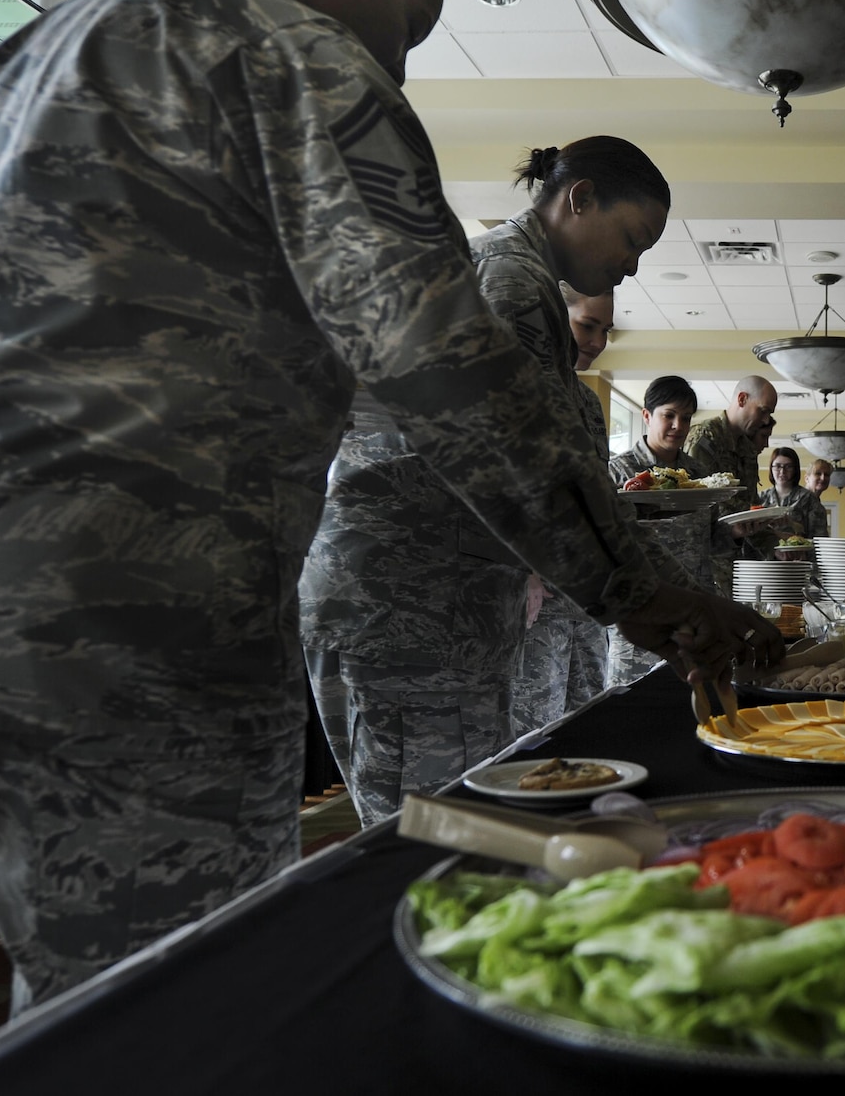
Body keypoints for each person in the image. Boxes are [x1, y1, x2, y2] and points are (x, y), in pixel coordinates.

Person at [0, 0, 774, 1010]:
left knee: (86, 998)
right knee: (180, 1005)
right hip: (143, 598)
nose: (399, 61)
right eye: (407, 25)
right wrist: (647, 594)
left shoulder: (33, 52)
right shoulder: (295, 53)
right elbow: (451, 377)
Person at [302, 139, 692, 822]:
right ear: (580, 198)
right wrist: (657, 601)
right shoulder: (510, 281)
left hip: (437, 611)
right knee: (427, 838)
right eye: (632, 240)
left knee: (454, 827)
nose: (630, 268)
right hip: (414, 610)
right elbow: (534, 472)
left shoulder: (519, 277)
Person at [514, 280, 621, 729]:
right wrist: (526, 571)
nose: (597, 342)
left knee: (590, 725)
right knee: (535, 731)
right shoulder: (519, 391)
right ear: (556, 319)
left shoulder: (587, 404)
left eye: (606, 330)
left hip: (587, 601)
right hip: (539, 599)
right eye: (587, 326)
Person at [608, 376, 716, 683]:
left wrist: (739, 531)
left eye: (685, 418)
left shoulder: (700, 476)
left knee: (689, 713)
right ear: (646, 416)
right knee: (627, 713)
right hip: (639, 618)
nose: (677, 426)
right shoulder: (618, 472)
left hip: (691, 617)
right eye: (668, 415)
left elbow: (714, 540)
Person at [684, 375, 780, 593]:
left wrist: (775, 547)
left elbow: (751, 506)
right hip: (705, 565)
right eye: (763, 410)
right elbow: (699, 503)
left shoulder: (747, 448)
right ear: (742, 399)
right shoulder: (705, 437)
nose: (765, 420)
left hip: (734, 564)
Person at [760, 447, 829, 538]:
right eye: (777, 466)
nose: (782, 471)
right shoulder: (761, 497)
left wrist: (792, 524)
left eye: (788, 466)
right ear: (771, 468)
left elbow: (819, 536)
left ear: (795, 469)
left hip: (799, 551)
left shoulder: (808, 498)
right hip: (765, 551)